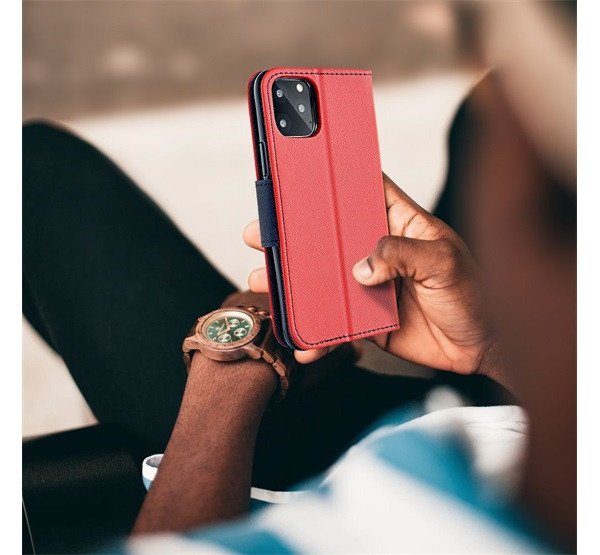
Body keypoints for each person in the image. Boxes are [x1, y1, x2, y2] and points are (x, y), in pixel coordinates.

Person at [23, 5, 576, 552]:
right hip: (512, 402)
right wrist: (492, 346)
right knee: (488, 114)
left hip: (305, 459)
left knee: (33, 172)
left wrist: (234, 362)